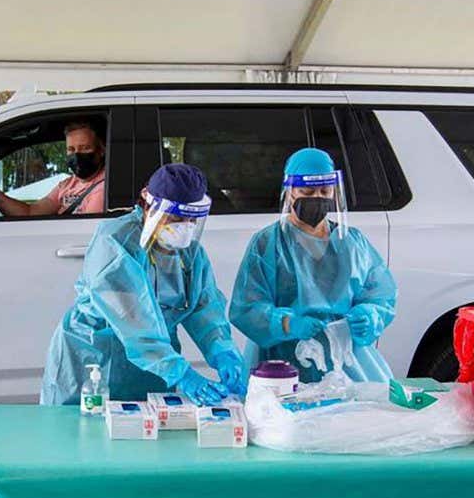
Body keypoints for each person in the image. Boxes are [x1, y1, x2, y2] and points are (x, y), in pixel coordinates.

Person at [41, 163, 247, 406]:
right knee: (82, 435)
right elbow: (132, 319)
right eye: (176, 217)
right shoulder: (117, 242)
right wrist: (182, 374)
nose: (184, 227)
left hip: (154, 366)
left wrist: (222, 352)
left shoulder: (190, 254)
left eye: (192, 220)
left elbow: (205, 308)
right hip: (94, 359)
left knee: (148, 432)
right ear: (149, 205)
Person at [230, 147, 397, 383]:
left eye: (325, 191)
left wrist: (368, 316)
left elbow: (380, 295)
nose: (317, 197)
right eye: (307, 191)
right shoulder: (268, 244)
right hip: (281, 366)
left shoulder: (351, 242)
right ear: (289, 192)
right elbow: (246, 307)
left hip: (345, 361)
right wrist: (287, 324)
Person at [0, 120, 106, 216]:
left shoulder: (104, 187)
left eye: (84, 148)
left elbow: (83, 234)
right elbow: (30, 212)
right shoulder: (68, 185)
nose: (77, 155)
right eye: (71, 149)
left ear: (101, 150)